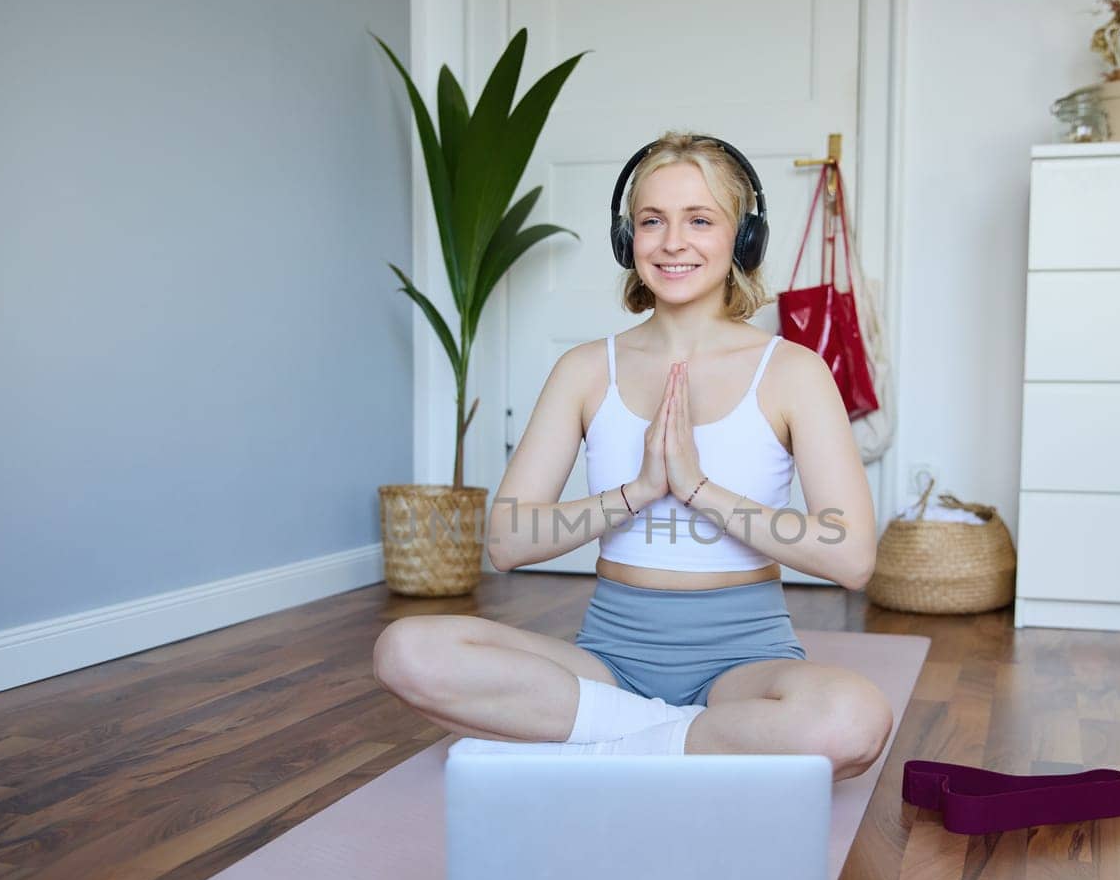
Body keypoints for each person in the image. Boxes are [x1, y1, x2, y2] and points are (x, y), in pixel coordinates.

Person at [373, 132, 891, 781]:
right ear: (628, 241)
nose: (673, 241)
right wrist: (636, 493)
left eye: (700, 219)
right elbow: (506, 542)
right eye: (652, 221)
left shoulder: (793, 372)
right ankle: (679, 742)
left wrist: (700, 489)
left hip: (744, 666)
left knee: (852, 720)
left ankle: (614, 742)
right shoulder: (585, 370)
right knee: (406, 651)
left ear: (743, 238)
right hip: (607, 665)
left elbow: (852, 558)